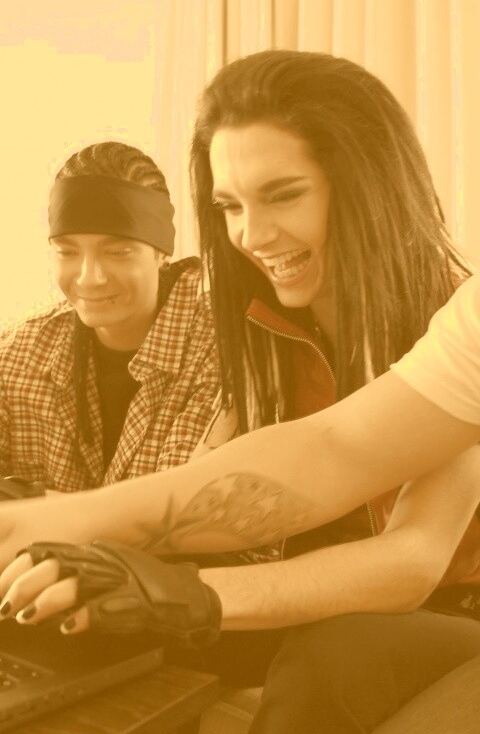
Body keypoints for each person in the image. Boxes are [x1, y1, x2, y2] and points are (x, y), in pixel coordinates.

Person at [1, 53, 480, 732]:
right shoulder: (259, 316)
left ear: (367, 185)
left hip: (442, 611)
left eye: (283, 195)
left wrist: (185, 595)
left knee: (335, 654)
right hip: (315, 595)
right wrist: (51, 527)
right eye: (229, 206)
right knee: (83, 622)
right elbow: (221, 492)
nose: (250, 235)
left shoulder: (453, 320)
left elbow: (413, 561)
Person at [0, 140, 220, 491]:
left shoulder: (220, 347)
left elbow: (179, 505)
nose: (89, 277)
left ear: (162, 252)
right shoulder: (16, 355)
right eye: (67, 252)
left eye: (117, 252)